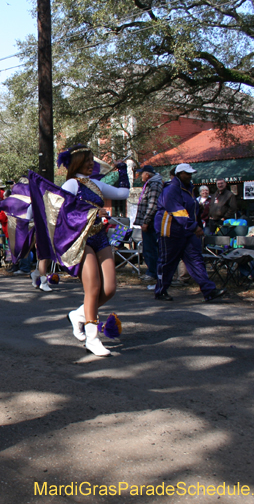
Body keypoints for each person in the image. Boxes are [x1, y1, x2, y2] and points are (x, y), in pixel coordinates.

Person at [58, 147, 130, 356]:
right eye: (88, 160)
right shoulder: (71, 184)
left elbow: (123, 194)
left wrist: (123, 170)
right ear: (77, 162)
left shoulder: (95, 184)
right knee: (93, 288)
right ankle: (92, 337)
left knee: (110, 288)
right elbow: (61, 211)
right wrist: (91, 212)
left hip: (100, 237)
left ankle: (78, 314)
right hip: (81, 240)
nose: (92, 164)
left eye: (92, 160)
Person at [154, 164, 226, 303]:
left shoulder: (189, 189)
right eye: (187, 174)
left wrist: (195, 226)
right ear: (179, 174)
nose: (190, 176)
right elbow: (177, 211)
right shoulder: (171, 189)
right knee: (167, 263)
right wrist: (194, 227)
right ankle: (161, 291)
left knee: (196, 260)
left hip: (187, 231)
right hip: (170, 231)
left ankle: (209, 290)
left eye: (191, 173)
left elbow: (192, 211)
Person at [134, 165, 163, 283]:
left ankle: (153, 273)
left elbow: (153, 205)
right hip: (148, 222)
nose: (141, 176)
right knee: (147, 248)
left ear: (147, 174)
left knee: (150, 248)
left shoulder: (154, 185)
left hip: (151, 223)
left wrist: (146, 221)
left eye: (142, 173)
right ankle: (152, 271)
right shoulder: (150, 184)